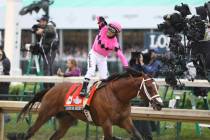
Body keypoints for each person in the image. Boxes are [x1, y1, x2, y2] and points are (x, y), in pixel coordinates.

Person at [79, 16, 128, 97]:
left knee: (104, 77)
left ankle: (101, 93)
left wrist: (126, 66)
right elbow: (98, 18)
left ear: (115, 33)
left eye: (112, 31)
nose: (109, 31)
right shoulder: (103, 28)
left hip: (102, 58)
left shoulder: (115, 43)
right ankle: (84, 89)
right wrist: (101, 18)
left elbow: (121, 55)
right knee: (91, 70)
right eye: (109, 29)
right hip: (93, 54)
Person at [129, 51, 153, 140]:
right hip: (134, 97)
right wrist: (136, 62)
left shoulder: (143, 66)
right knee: (137, 116)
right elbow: (132, 75)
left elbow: (150, 72)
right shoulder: (132, 67)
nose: (139, 59)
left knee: (143, 116)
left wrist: (142, 63)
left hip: (143, 97)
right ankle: (139, 136)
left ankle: (145, 136)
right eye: (139, 57)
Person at [32, 15, 58, 88]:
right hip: (46, 48)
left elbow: (51, 31)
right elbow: (33, 29)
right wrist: (36, 30)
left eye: (43, 21)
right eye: (40, 21)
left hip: (50, 48)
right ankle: (49, 85)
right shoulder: (42, 26)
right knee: (48, 66)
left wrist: (42, 31)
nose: (41, 23)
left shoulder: (50, 25)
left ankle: (48, 86)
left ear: (46, 21)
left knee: (47, 66)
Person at [0, 48, 11, 123]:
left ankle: (5, 118)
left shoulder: (6, 61)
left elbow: (5, 71)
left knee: (3, 100)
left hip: (3, 84)